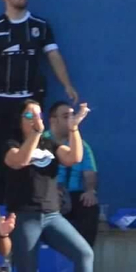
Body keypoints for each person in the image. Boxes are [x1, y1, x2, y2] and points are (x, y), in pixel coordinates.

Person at [0, 0, 80, 204]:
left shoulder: (40, 26)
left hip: (30, 102)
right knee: (1, 153)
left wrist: (67, 84)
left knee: (33, 150)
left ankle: (28, 200)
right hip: (0, 100)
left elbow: (54, 56)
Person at [4, 99, 112, 272]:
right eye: (30, 116)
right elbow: (20, 160)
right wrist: (35, 134)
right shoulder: (11, 143)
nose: (36, 120)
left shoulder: (50, 145)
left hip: (52, 215)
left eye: (38, 115)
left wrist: (73, 128)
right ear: (20, 120)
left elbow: (74, 157)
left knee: (84, 253)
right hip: (26, 215)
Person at [48, 100, 100, 247]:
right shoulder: (41, 142)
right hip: (47, 194)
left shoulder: (82, 146)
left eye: (72, 116)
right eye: (65, 116)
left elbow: (90, 174)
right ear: (53, 120)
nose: (71, 120)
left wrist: (90, 190)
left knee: (90, 207)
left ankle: (84, 253)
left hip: (73, 194)